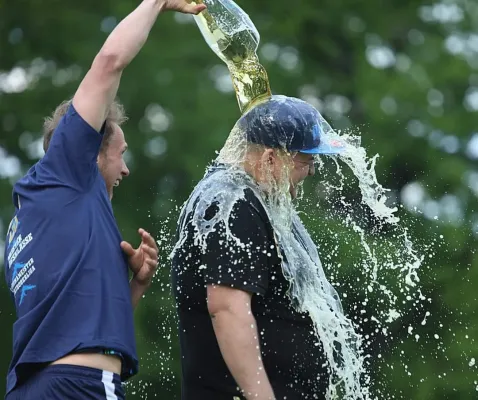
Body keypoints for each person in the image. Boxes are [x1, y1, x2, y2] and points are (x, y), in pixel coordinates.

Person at [3, 1, 206, 399]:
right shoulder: (69, 170)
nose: (125, 169)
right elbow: (110, 61)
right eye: (121, 153)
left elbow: (83, 333)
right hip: (79, 388)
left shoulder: (33, 218)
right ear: (89, 151)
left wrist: (134, 285)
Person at [171, 95, 361, 400]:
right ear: (271, 159)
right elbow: (227, 308)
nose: (311, 171)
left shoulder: (256, 200)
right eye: (305, 159)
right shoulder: (230, 203)